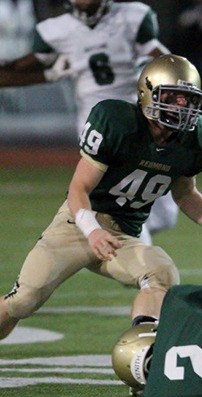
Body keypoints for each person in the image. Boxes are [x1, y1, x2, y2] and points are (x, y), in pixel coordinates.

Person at [0, 55, 202, 348]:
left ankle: (141, 352)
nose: (181, 106)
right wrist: (93, 230)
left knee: (161, 273)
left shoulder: (196, 138)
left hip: (122, 236)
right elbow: (78, 188)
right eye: (173, 97)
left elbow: (185, 193)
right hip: (77, 224)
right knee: (23, 301)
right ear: (147, 93)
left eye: (187, 99)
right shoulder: (117, 121)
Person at [0, 0, 177, 244]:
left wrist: (153, 67)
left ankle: (117, 242)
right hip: (99, 123)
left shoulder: (132, 16)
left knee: (166, 215)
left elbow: (165, 60)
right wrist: (51, 73)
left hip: (138, 117)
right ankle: (138, 265)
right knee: (123, 202)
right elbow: (15, 70)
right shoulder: (58, 29)